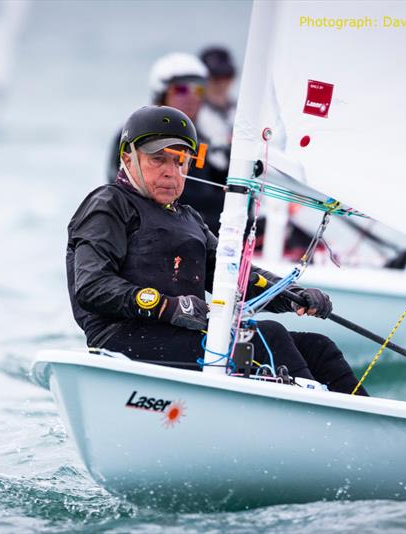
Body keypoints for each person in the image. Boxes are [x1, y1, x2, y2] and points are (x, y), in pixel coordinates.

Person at [72, 105, 368, 396]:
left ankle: (371, 428)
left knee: (319, 348)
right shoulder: (109, 205)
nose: (170, 172)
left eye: (179, 161)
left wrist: (292, 295)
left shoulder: (188, 218)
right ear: (128, 157)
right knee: (269, 337)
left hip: (183, 338)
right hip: (124, 343)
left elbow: (237, 278)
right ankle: (318, 421)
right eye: (157, 159)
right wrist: (168, 306)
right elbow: (92, 286)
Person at [106, 53, 228, 235]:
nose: (191, 97)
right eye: (181, 90)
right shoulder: (134, 136)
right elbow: (169, 196)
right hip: (151, 229)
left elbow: (211, 181)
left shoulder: (200, 141)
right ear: (160, 94)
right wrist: (230, 200)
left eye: (199, 90)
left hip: (195, 225)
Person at [196, 46, 237, 175]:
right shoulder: (191, 113)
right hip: (204, 179)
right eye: (215, 77)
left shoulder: (242, 112)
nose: (221, 83)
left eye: (226, 76)